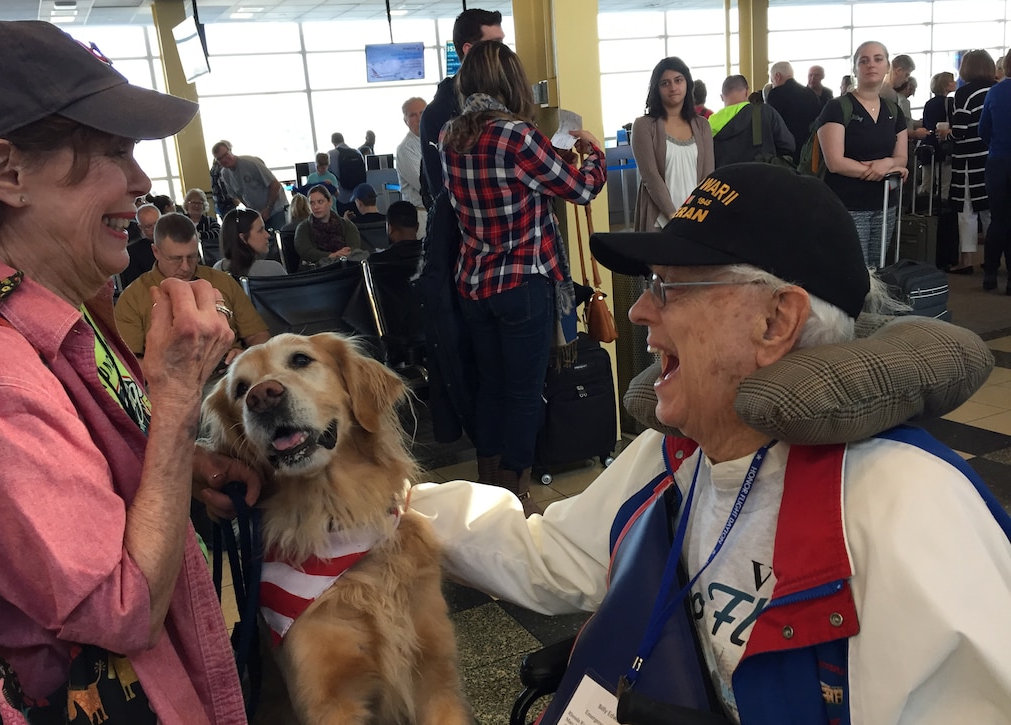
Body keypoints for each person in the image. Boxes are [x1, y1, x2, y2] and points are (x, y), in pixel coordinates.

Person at [410, 162, 1011, 725]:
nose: (641, 310)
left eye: (671, 289)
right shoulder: (674, 456)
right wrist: (388, 507)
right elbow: (549, 555)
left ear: (777, 321)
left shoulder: (907, 507)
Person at [0, 20, 256, 724]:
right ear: (5, 171)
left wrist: (179, 462)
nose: (140, 180)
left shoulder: (38, 306)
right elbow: (122, 607)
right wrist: (173, 406)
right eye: (111, 151)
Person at [439, 40, 606, 514]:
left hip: (474, 281)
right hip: (522, 283)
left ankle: (488, 486)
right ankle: (516, 493)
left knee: (491, 385)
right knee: (524, 391)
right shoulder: (517, 136)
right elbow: (580, 189)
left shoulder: (451, 135)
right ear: (509, 83)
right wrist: (591, 151)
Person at [115, 212, 269, 362]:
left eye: (192, 256)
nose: (185, 267)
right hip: (167, 379)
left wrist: (245, 357)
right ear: (156, 252)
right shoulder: (134, 297)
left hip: (227, 373)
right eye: (175, 259)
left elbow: (259, 335)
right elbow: (129, 363)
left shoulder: (222, 281)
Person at [817, 41, 909, 268]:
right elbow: (835, 162)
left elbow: (901, 157)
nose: (871, 65)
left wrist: (887, 163)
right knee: (852, 269)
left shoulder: (893, 110)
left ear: (887, 65)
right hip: (848, 203)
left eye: (878, 59)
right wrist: (880, 171)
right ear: (855, 68)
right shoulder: (837, 108)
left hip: (885, 203)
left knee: (878, 269)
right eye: (864, 61)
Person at [419, 8, 505, 203]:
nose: (503, 52)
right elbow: (440, 190)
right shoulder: (438, 113)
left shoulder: (507, 99)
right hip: (469, 227)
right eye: (495, 44)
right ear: (469, 49)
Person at [631, 56, 714, 232]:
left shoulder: (703, 125)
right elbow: (650, 176)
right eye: (665, 83)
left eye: (678, 80)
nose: (673, 87)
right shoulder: (644, 125)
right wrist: (673, 217)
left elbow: (708, 176)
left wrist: (695, 215)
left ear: (687, 84)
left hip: (697, 219)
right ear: (657, 89)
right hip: (659, 220)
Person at [944, 50, 997, 282]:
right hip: (992, 157)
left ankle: (966, 260)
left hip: (968, 160)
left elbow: (961, 131)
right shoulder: (996, 89)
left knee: (967, 211)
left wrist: (946, 132)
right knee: (991, 210)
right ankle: (993, 259)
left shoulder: (963, 93)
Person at [709, 74, 795, 167]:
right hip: (763, 177)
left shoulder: (710, 123)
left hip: (724, 178)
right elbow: (788, 145)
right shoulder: (765, 112)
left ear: (722, 97)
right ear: (747, 92)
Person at [980, 51, 1011, 292]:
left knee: (998, 219)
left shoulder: (995, 92)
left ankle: (990, 273)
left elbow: (983, 130)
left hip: (997, 162)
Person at [210, 139, 288, 231]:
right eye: (219, 159)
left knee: (283, 238)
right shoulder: (225, 174)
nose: (224, 160)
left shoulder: (251, 163)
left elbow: (275, 184)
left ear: (230, 151)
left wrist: (268, 208)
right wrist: (252, 212)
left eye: (225, 155)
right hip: (259, 215)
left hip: (277, 210)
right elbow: (237, 196)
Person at [293, 184, 363, 265]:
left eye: (320, 202)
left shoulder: (346, 225)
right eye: (312, 203)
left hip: (346, 266)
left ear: (330, 202)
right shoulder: (303, 228)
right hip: (316, 271)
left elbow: (354, 248)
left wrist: (340, 255)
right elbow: (306, 252)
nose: (316, 207)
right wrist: (331, 255)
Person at [766, 60, 822, 152]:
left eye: (772, 81)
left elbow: (772, 123)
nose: (773, 85)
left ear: (777, 76)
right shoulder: (810, 93)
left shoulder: (776, 94)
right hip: (808, 149)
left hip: (786, 149)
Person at [216, 208, 286, 278]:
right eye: (260, 231)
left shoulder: (217, 270)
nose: (267, 235)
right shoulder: (273, 269)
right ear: (243, 238)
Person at [920, 71, 957, 200]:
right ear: (946, 85)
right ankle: (942, 209)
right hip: (943, 146)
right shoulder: (950, 102)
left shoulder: (928, 103)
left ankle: (925, 211)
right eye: (952, 81)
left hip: (928, 144)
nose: (956, 83)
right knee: (944, 183)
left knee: (927, 183)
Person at [396, 96, 429, 231]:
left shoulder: (437, 139)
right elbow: (425, 184)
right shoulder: (406, 149)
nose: (419, 118)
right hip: (421, 215)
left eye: (422, 113)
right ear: (406, 121)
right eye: (413, 115)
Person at [120, 202, 160, 289]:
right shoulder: (132, 252)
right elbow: (135, 286)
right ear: (141, 228)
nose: (155, 229)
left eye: (157, 223)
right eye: (149, 226)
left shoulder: (176, 242)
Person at [182, 187, 221, 265]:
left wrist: (200, 235)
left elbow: (218, 232)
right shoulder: (181, 221)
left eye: (200, 203)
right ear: (187, 204)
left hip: (209, 260)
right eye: (193, 202)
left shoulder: (210, 221)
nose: (196, 206)